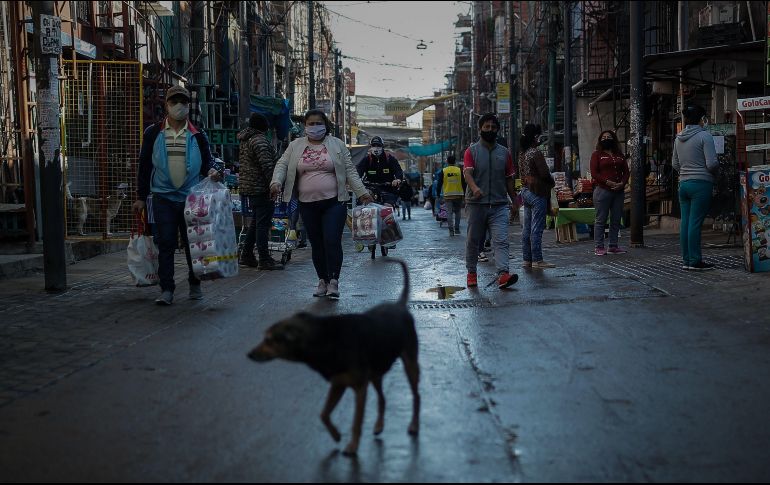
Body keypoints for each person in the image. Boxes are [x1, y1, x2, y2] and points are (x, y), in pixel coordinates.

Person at [270, 109, 373, 298]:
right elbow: (282, 165)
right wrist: (276, 182)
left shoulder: (337, 144)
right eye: (311, 123)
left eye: (319, 123)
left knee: (332, 241)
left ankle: (334, 281)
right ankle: (322, 280)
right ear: (305, 126)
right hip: (307, 204)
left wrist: (362, 192)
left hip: (334, 203)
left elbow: (350, 170)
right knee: (316, 244)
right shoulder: (295, 145)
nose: (315, 127)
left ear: (325, 125)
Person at [133, 85, 220, 306]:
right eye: (174, 102)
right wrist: (141, 196)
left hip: (191, 198)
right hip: (162, 198)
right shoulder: (153, 133)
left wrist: (212, 170)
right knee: (166, 243)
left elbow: (208, 161)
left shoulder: (198, 134)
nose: (179, 106)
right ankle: (167, 289)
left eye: (183, 102)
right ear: (167, 105)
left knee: (195, 245)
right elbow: (144, 166)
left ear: (188, 106)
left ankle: (195, 284)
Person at [463, 113, 519, 289]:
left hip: (499, 205)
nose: (490, 130)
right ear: (480, 129)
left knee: (501, 240)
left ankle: (503, 274)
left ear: (497, 130)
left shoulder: (505, 153)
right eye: (486, 127)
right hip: (476, 204)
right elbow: (467, 173)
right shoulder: (471, 151)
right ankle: (472, 273)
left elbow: (509, 179)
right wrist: (475, 188)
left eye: (493, 127)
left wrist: (515, 201)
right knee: (473, 241)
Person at [672, 105, 718, 271]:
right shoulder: (705, 136)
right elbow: (711, 163)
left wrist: (686, 172)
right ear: (702, 119)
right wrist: (715, 172)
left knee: (686, 222)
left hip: (683, 184)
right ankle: (695, 260)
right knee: (695, 223)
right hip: (701, 184)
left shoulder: (678, 138)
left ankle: (687, 260)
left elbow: (675, 164)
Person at [237, 113, 283, 270]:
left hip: (251, 187)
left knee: (256, 222)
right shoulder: (260, 140)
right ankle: (264, 259)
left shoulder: (246, 139)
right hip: (261, 187)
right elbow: (267, 166)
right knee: (262, 224)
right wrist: (274, 184)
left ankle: (247, 254)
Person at [519, 124, 556, 269]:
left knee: (527, 228)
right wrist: (552, 182)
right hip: (537, 192)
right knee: (537, 227)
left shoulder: (522, 153)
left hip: (525, 191)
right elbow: (544, 174)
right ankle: (538, 260)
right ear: (535, 137)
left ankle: (527, 260)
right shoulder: (535, 152)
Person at [590, 130, 630, 256]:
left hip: (618, 191)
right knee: (601, 219)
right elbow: (594, 173)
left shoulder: (619, 155)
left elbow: (626, 172)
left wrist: (622, 183)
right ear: (600, 140)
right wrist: (608, 182)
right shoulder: (596, 155)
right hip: (602, 191)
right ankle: (599, 247)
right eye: (604, 137)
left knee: (616, 219)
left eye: (609, 137)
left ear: (614, 139)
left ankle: (613, 246)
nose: (606, 139)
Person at [356, 136, 403, 207]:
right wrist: (354, 181)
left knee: (387, 206)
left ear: (382, 147)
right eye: (374, 145)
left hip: (388, 189)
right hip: (371, 188)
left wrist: (398, 179)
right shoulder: (366, 160)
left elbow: (398, 170)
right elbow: (358, 171)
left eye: (378, 145)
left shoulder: (390, 159)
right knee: (364, 203)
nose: (376, 148)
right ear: (371, 147)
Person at [437, 155, 465, 236]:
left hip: (448, 195)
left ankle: (451, 231)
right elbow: (463, 183)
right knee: (458, 212)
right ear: (455, 161)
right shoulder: (459, 170)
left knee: (449, 212)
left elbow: (439, 183)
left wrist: (438, 194)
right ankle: (457, 229)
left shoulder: (444, 171)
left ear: (447, 161)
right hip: (458, 194)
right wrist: (465, 194)